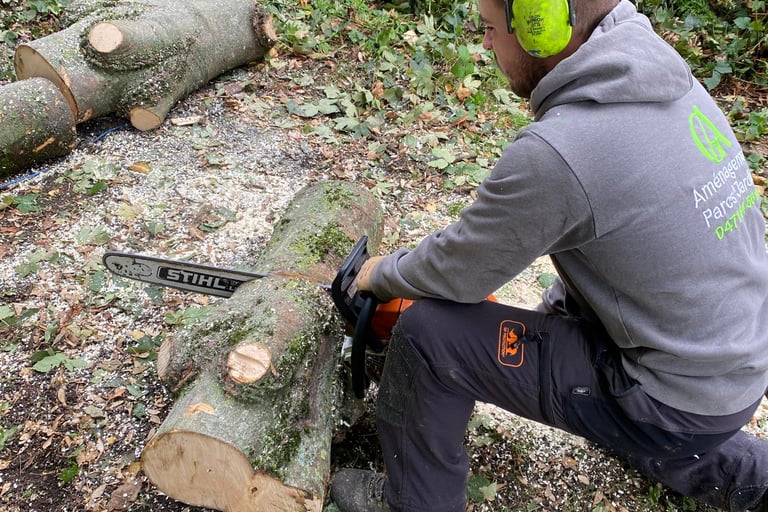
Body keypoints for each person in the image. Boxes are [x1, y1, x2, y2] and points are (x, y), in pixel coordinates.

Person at [329, 0, 768, 510]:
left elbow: (458, 271)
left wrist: (379, 274)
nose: (486, 44)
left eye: (491, 29)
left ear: (542, 27)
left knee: (430, 338)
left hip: (670, 399)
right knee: (564, 323)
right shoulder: (659, 76)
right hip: (729, 374)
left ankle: (413, 503)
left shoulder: (561, 151)